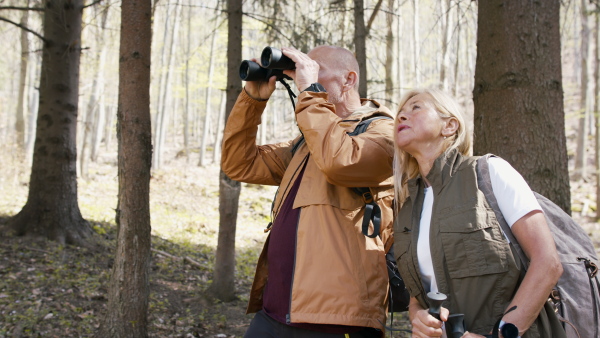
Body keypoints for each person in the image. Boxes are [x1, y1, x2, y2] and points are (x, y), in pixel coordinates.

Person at [221, 45, 395, 337]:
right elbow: (239, 163)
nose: (303, 75)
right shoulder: (307, 144)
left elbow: (341, 162)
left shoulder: (383, 134)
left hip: (337, 318)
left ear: (348, 79)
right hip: (275, 311)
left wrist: (309, 90)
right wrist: (253, 99)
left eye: (314, 70)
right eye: (303, 69)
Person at [391, 88, 565, 338]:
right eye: (400, 113)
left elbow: (547, 263)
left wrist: (502, 334)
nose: (402, 116)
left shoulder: (489, 172)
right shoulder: (407, 207)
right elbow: (420, 292)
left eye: (416, 107)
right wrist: (417, 315)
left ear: (450, 126)